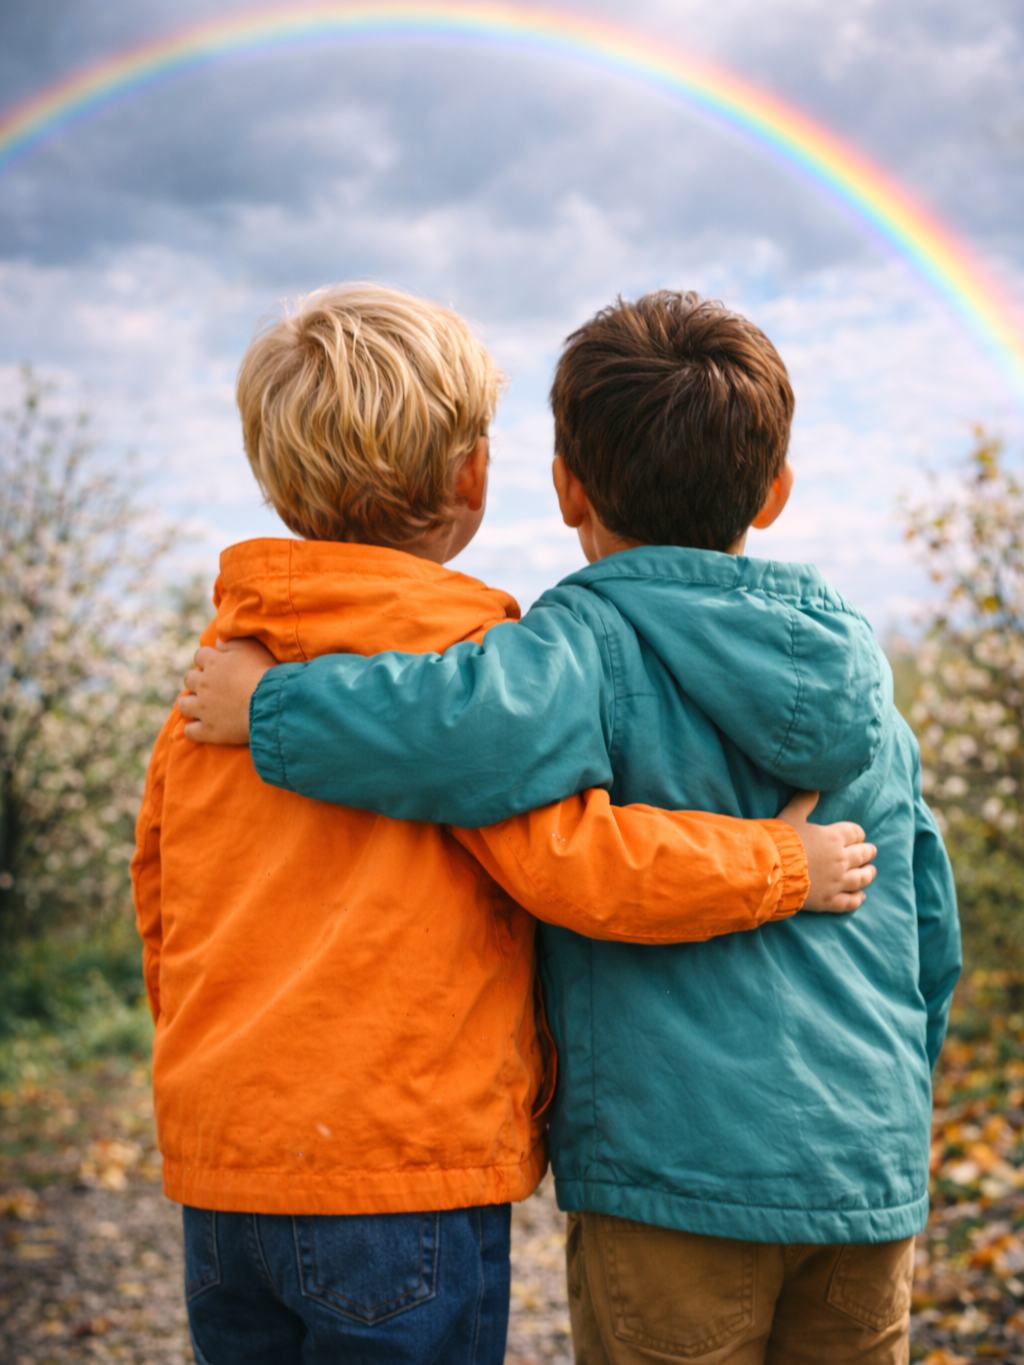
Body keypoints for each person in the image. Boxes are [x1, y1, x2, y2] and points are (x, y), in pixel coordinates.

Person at [180, 290, 959, 1365]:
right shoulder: (863, 676)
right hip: (865, 1169)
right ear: (774, 491)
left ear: (564, 489)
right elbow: (929, 925)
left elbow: (452, 736)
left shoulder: (574, 647)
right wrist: (886, 1116)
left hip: (674, 1173)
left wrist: (270, 707)